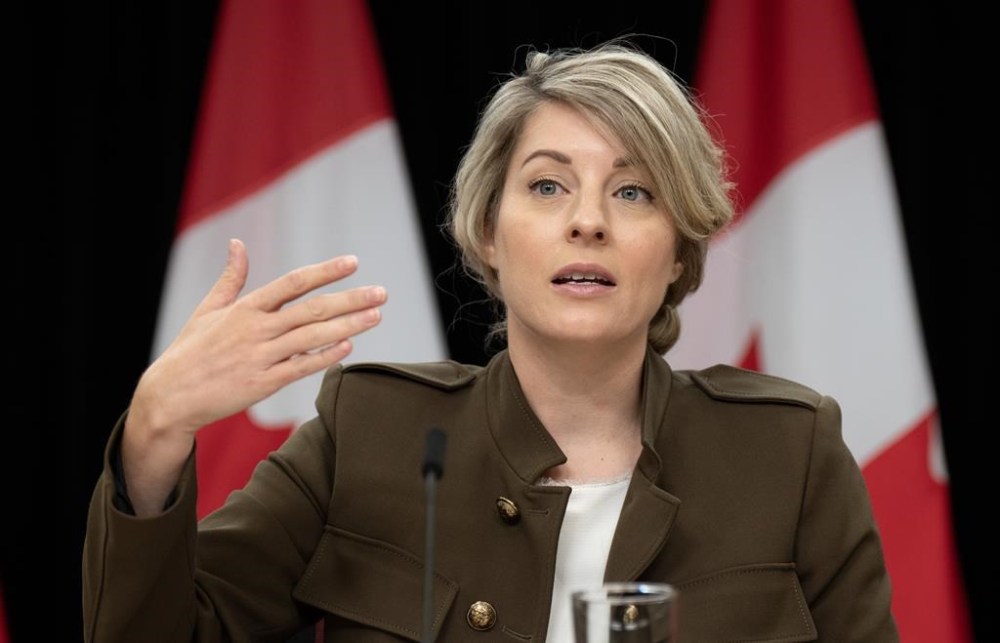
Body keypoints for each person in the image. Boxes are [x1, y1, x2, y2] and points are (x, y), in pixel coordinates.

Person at [82, 40, 899, 642]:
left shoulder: (788, 454)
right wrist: (156, 426)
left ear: (681, 249)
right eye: (547, 185)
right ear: (488, 232)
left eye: (633, 191)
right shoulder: (369, 433)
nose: (588, 220)